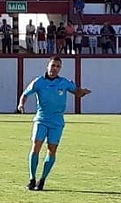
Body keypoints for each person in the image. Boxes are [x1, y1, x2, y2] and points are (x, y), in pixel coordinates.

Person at [17, 56, 92, 191]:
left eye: (58, 66)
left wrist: (83, 92)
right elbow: (25, 94)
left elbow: (77, 92)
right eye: (53, 65)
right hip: (41, 119)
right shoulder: (39, 82)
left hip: (57, 122)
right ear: (48, 66)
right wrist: (21, 104)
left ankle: (42, 180)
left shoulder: (64, 82)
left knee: (52, 150)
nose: (55, 68)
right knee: (36, 147)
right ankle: (32, 179)